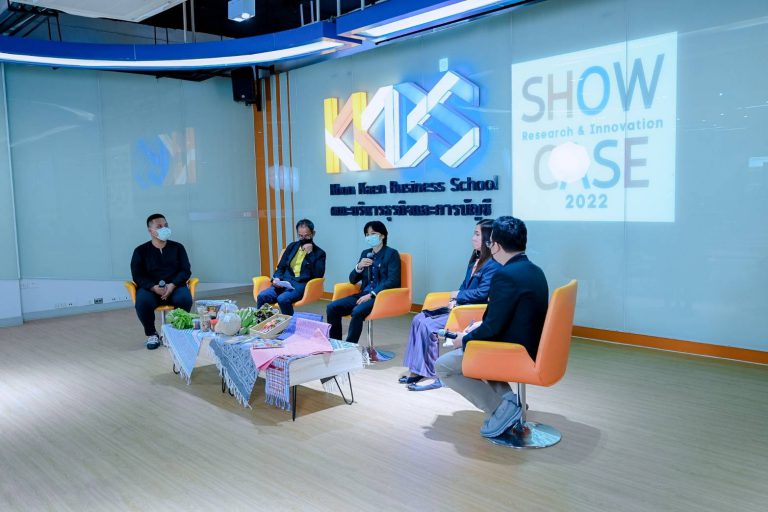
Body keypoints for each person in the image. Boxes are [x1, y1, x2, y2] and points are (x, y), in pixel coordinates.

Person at [435, 216, 548, 438]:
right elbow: (504, 317)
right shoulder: (535, 270)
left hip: (515, 351)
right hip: (532, 344)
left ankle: (500, 409)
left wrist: (464, 339)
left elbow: (493, 328)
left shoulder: (505, 275)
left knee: (444, 366)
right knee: (473, 345)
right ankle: (509, 401)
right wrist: (478, 328)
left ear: (495, 246)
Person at [400, 220, 501, 391]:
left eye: (477, 234)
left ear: (488, 238)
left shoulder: (493, 265)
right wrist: (456, 299)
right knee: (418, 319)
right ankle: (418, 369)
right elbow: (465, 285)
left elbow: (483, 293)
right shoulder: (475, 260)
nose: (473, 237)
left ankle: (435, 373)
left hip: (472, 313)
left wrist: (458, 296)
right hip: (460, 307)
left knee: (428, 326)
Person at [326, 220, 400, 343]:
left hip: (380, 296)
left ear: (382, 235)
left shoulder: (391, 254)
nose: (369, 237)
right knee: (332, 307)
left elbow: (393, 281)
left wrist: (371, 294)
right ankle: (336, 343)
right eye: (367, 234)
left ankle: (350, 346)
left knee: (357, 311)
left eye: (373, 233)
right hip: (363, 294)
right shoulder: (365, 253)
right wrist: (359, 267)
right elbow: (352, 279)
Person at [130, 213, 193, 350]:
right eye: (159, 226)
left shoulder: (178, 248)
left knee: (185, 299)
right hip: (150, 289)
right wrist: (153, 287)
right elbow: (137, 276)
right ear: (150, 230)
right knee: (143, 302)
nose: (164, 228)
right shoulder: (140, 251)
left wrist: (173, 285)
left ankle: (176, 331)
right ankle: (152, 334)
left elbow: (185, 270)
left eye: (166, 225)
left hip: (175, 286)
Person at [256, 219, 327, 315]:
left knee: (282, 299)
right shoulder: (292, 246)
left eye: (307, 236)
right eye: (300, 236)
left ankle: (289, 323)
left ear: (313, 233)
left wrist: (310, 254)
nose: (303, 238)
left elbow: (318, 275)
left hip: (299, 285)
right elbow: (280, 267)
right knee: (262, 296)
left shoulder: (319, 253)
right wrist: (276, 278)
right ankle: (262, 321)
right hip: (283, 283)